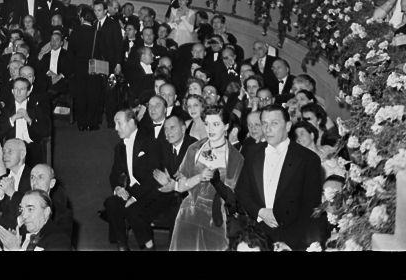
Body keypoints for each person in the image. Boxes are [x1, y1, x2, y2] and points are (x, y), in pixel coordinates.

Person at [235, 105, 323, 251]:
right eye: (264, 123)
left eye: (274, 123)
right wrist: (260, 212)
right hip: (256, 237)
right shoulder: (251, 152)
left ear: (288, 126)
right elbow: (242, 191)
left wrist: (290, 243)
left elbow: (311, 206)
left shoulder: (308, 159)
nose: (268, 129)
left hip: (291, 238)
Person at [165, 105, 244, 251]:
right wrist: (199, 177)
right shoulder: (194, 148)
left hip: (215, 217)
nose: (210, 129)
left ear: (226, 126)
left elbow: (232, 199)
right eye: (207, 124)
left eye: (216, 124)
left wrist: (216, 181)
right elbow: (181, 186)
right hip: (188, 213)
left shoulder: (235, 157)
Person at [103, 109, 162, 249]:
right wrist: (118, 188)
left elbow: (153, 177)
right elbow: (114, 174)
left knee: (132, 208)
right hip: (131, 189)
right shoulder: (119, 147)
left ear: (131, 122)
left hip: (150, 191)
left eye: (119, 123)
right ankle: (122, 244)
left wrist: (134, 196)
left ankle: (148, 244)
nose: (116, 128)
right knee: (111, 203)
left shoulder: (149, 141)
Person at [0, 190, 71, 251]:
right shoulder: (22, 236)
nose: (24, 215)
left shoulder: (60, 239)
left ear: (46, 212)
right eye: (22, 210)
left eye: (30, 209)